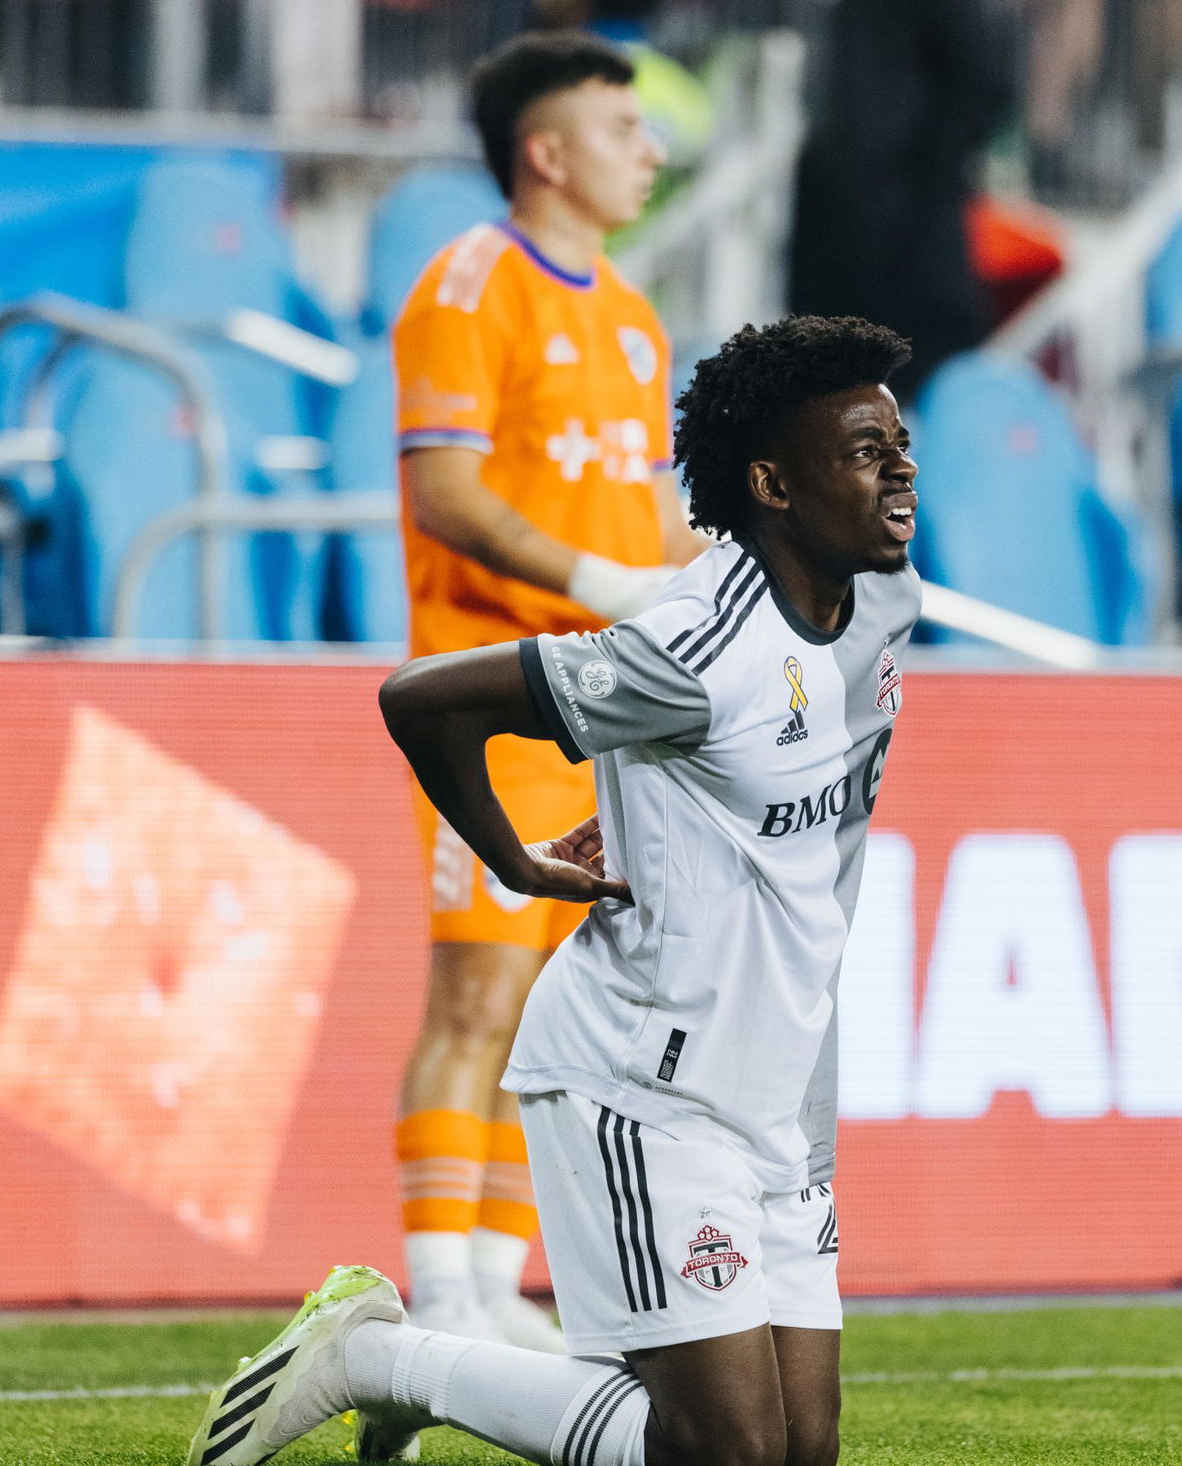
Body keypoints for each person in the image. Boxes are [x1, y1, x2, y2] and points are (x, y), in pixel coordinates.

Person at [184, 314, 919, 1466]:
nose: (903, 466)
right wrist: (511, 856)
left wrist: (647, 807)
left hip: (781, 1080)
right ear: (773, 483)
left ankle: (394, 1362)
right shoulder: (691, 649)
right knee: (719, 1453)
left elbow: (779, 779)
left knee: (798, 1454)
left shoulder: (881, 597)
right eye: (867, 448)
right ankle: (374, 1354)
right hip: (645, 1080)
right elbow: (422, 696)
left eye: (901, 439)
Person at [388, 30, 704, 1349]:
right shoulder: (470, 285)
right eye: (625, 130)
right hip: (495, 693)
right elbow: (445, 493)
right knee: (471, 991)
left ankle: (500, 1272)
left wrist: (711, 581)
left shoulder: (631, 320)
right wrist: (596, 577)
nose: (651, 153)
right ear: (547, 150)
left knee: (554, 1010)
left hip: (605, 711)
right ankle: (436, 1275)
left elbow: (651, 519)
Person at [787, 0, 1014, 399]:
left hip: (912, 233)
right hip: (840, 222)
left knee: (923, 393)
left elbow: (986, 79)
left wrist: (929, 164)